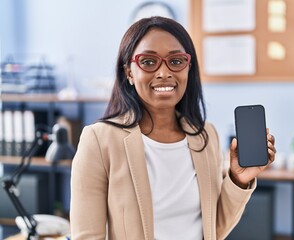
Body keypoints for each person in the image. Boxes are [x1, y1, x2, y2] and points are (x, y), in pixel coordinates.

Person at [70, 16, 276, 240]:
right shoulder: (99, 140)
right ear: (129, 72)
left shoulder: (206, 136)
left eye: (176, 61)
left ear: (188, 68)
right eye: (148, 62)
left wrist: (238, 179)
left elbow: (213, 230)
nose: (164, 73)